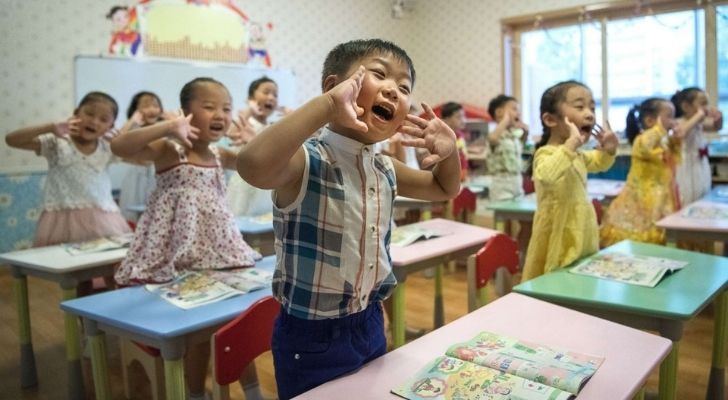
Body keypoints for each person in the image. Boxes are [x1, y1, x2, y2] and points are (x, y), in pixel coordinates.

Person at [237, 38, 461, 399]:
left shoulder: (384, 166)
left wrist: (449, 153)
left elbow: (442, 188)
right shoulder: (306, 161)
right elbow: (252, 165)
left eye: (404, 88)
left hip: (370, 320)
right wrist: (326, 107)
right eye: (379, 74)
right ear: (334, 86)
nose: (393, 90)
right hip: (310, 336)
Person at [110, 77, 263, 400]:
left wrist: (255, 140)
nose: (219, 114)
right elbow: (119, 146)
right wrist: (167, 128)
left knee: (235, 325)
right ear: (185, 112)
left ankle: (253, 392)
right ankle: (195, 394)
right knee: (196, 334)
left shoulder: (221, 155)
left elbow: (261, 163)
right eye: (208, 107)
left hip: (220, 253)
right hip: (176, 256)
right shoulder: (170, 149)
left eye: (225, 107)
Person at [5, 92, 131, 286]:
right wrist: (50, 127)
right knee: (77, 277)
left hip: (104, 221)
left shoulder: (107, 148)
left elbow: (144, 159)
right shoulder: (57, 142)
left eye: (103, 119)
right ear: (75, 114)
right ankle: (82, 312)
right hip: (62, 222)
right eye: (89, 113)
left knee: (110, 272)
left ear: (110, 127)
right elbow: (11, 140)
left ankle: (103, 312)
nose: (95, 121)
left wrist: (123, 141)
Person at [521, 81, 617, 282]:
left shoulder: (578, 154)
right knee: (553, 282)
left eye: (592, 107)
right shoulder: (546, 152)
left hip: (582, 227)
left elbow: (599, 162)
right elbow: (546, 175)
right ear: (550, 119)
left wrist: (609, 149)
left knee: (580, 279)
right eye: (580, 107)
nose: (590, 114)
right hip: (558, 231)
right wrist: (571, 144)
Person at [599, 98, 682, 247]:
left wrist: (676, 139)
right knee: (644, 237)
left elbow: (675, 158)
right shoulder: (641, 139)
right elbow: (647, 146)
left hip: (662, 196)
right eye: (669, 116)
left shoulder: (663, 141)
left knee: (663, 236)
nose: (673, 121)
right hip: (642, 199)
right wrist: (659, 129)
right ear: (650, 120)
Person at [226, 76, 288, 217]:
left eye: (275, 94)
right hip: (243, 184)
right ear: (251, 97)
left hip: (265, 187)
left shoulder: (273, 127)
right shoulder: (246, 122)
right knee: (239, 222)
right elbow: (230, 134)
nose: (271, 97)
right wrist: (250, 109)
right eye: (266, 92)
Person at [671, 87, 724, 205]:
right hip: (685, 167)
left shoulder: (699, 124)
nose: (707, 107)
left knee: (702, 190)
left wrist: (719, 118)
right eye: (703, 103)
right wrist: (699, 115)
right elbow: (682, 132)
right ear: (686, 107)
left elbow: (716, 127)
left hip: (699, 165)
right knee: (687, 194)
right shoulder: (679, 122)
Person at [118, 91, 164, 221]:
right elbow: (117, 142)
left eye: (155, 106)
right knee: (135, 218)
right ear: (135, 110)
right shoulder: (133, 129)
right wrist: (133, 120)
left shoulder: (164, 128)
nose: (151, 110)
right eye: (146, 106)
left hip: (159, 177)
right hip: (136, 178)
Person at [486, 94, 529, 201]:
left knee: (518, 211)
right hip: (501, 183)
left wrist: (526, 133)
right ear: (499, 112)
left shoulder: (513, 135)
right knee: (502, 215)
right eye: (514, 109)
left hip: (517, 181)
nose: (518, 113)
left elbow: (521, 144)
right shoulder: (495, 134)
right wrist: (505, 120)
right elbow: (493, 139)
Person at [440, 102, 469, 181]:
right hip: (451, 177)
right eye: (459, 117)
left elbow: (462, 152)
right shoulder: (444, 137)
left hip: (462, 173)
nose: (463, 120)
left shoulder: (460, 134)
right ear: (447, 120)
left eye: (464, 116)